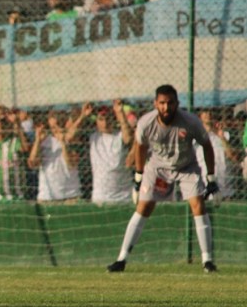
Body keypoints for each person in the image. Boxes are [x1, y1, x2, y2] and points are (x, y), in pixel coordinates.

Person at [107, 85, 218, 273]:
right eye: (162, 103)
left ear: (177, 103)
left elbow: (207, 146)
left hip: (186, 167)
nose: (166, 107)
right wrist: (138, 179)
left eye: (170, 103)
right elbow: (140, 148)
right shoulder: (146, 123)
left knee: (198, 204)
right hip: (157, 169)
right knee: (144, 206)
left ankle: (207, 261)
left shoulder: (190, 122)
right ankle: (121, 259)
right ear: (155, 104)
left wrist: (211, 178)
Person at [72, 101, 134, 204]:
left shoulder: (120, 135)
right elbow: (70, 137)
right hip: (100, 197)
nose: (105, 123)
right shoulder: (92, 137)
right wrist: (83, 116)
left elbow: (128, 139)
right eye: (101, 119)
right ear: (96, 121)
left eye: (108, 118)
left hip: (124, 197)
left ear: (114, 119)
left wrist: (120, 112)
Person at [28, 109, 82, 202]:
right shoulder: (44, 140)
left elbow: (71, 163)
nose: (55, 129)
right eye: (52, 127)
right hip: (47, 196)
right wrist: (37, 141)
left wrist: (63, 143)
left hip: (70, 195)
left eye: (58, 125)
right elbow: (32, 163)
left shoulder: (73, 139)